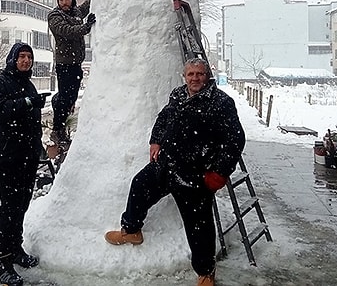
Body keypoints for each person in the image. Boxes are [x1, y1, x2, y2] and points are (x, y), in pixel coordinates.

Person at [104, 58, 246, 286]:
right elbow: (164, 117)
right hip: (167, 165)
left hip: (196, 175)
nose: (195, 78)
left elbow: (235, 140)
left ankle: (206, 272)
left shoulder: (221, 102)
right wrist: (156, 141)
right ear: (184, 76)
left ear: (207, 75)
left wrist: (219, 172)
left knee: (199, 226)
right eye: (190, 74)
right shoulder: (178, 95)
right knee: (139, 185)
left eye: (199, 74)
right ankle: (131, 230)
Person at [0, 42, 48, 286]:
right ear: (12, 59)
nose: (25, 61)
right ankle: (2, 261)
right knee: (9, 206)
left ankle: (15, 248)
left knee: (21, 203)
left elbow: (30, 122)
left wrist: (37, 148)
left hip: (27, 154)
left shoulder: (27, 84)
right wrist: (29, 103)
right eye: (21, 57)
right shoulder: (0, 83)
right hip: (6, 155)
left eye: (29, 57)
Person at [47, 0, 95, 167]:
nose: (64, 3)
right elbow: (66, 30)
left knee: (71, 97)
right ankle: (57, 130)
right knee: (66, 96)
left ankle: (58, 108)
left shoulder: (75, 11)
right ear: (58, 2)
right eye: (61, 0)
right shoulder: (55, 16)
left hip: (76, 64)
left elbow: (87, 6)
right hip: (64, 64)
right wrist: (85, 27)